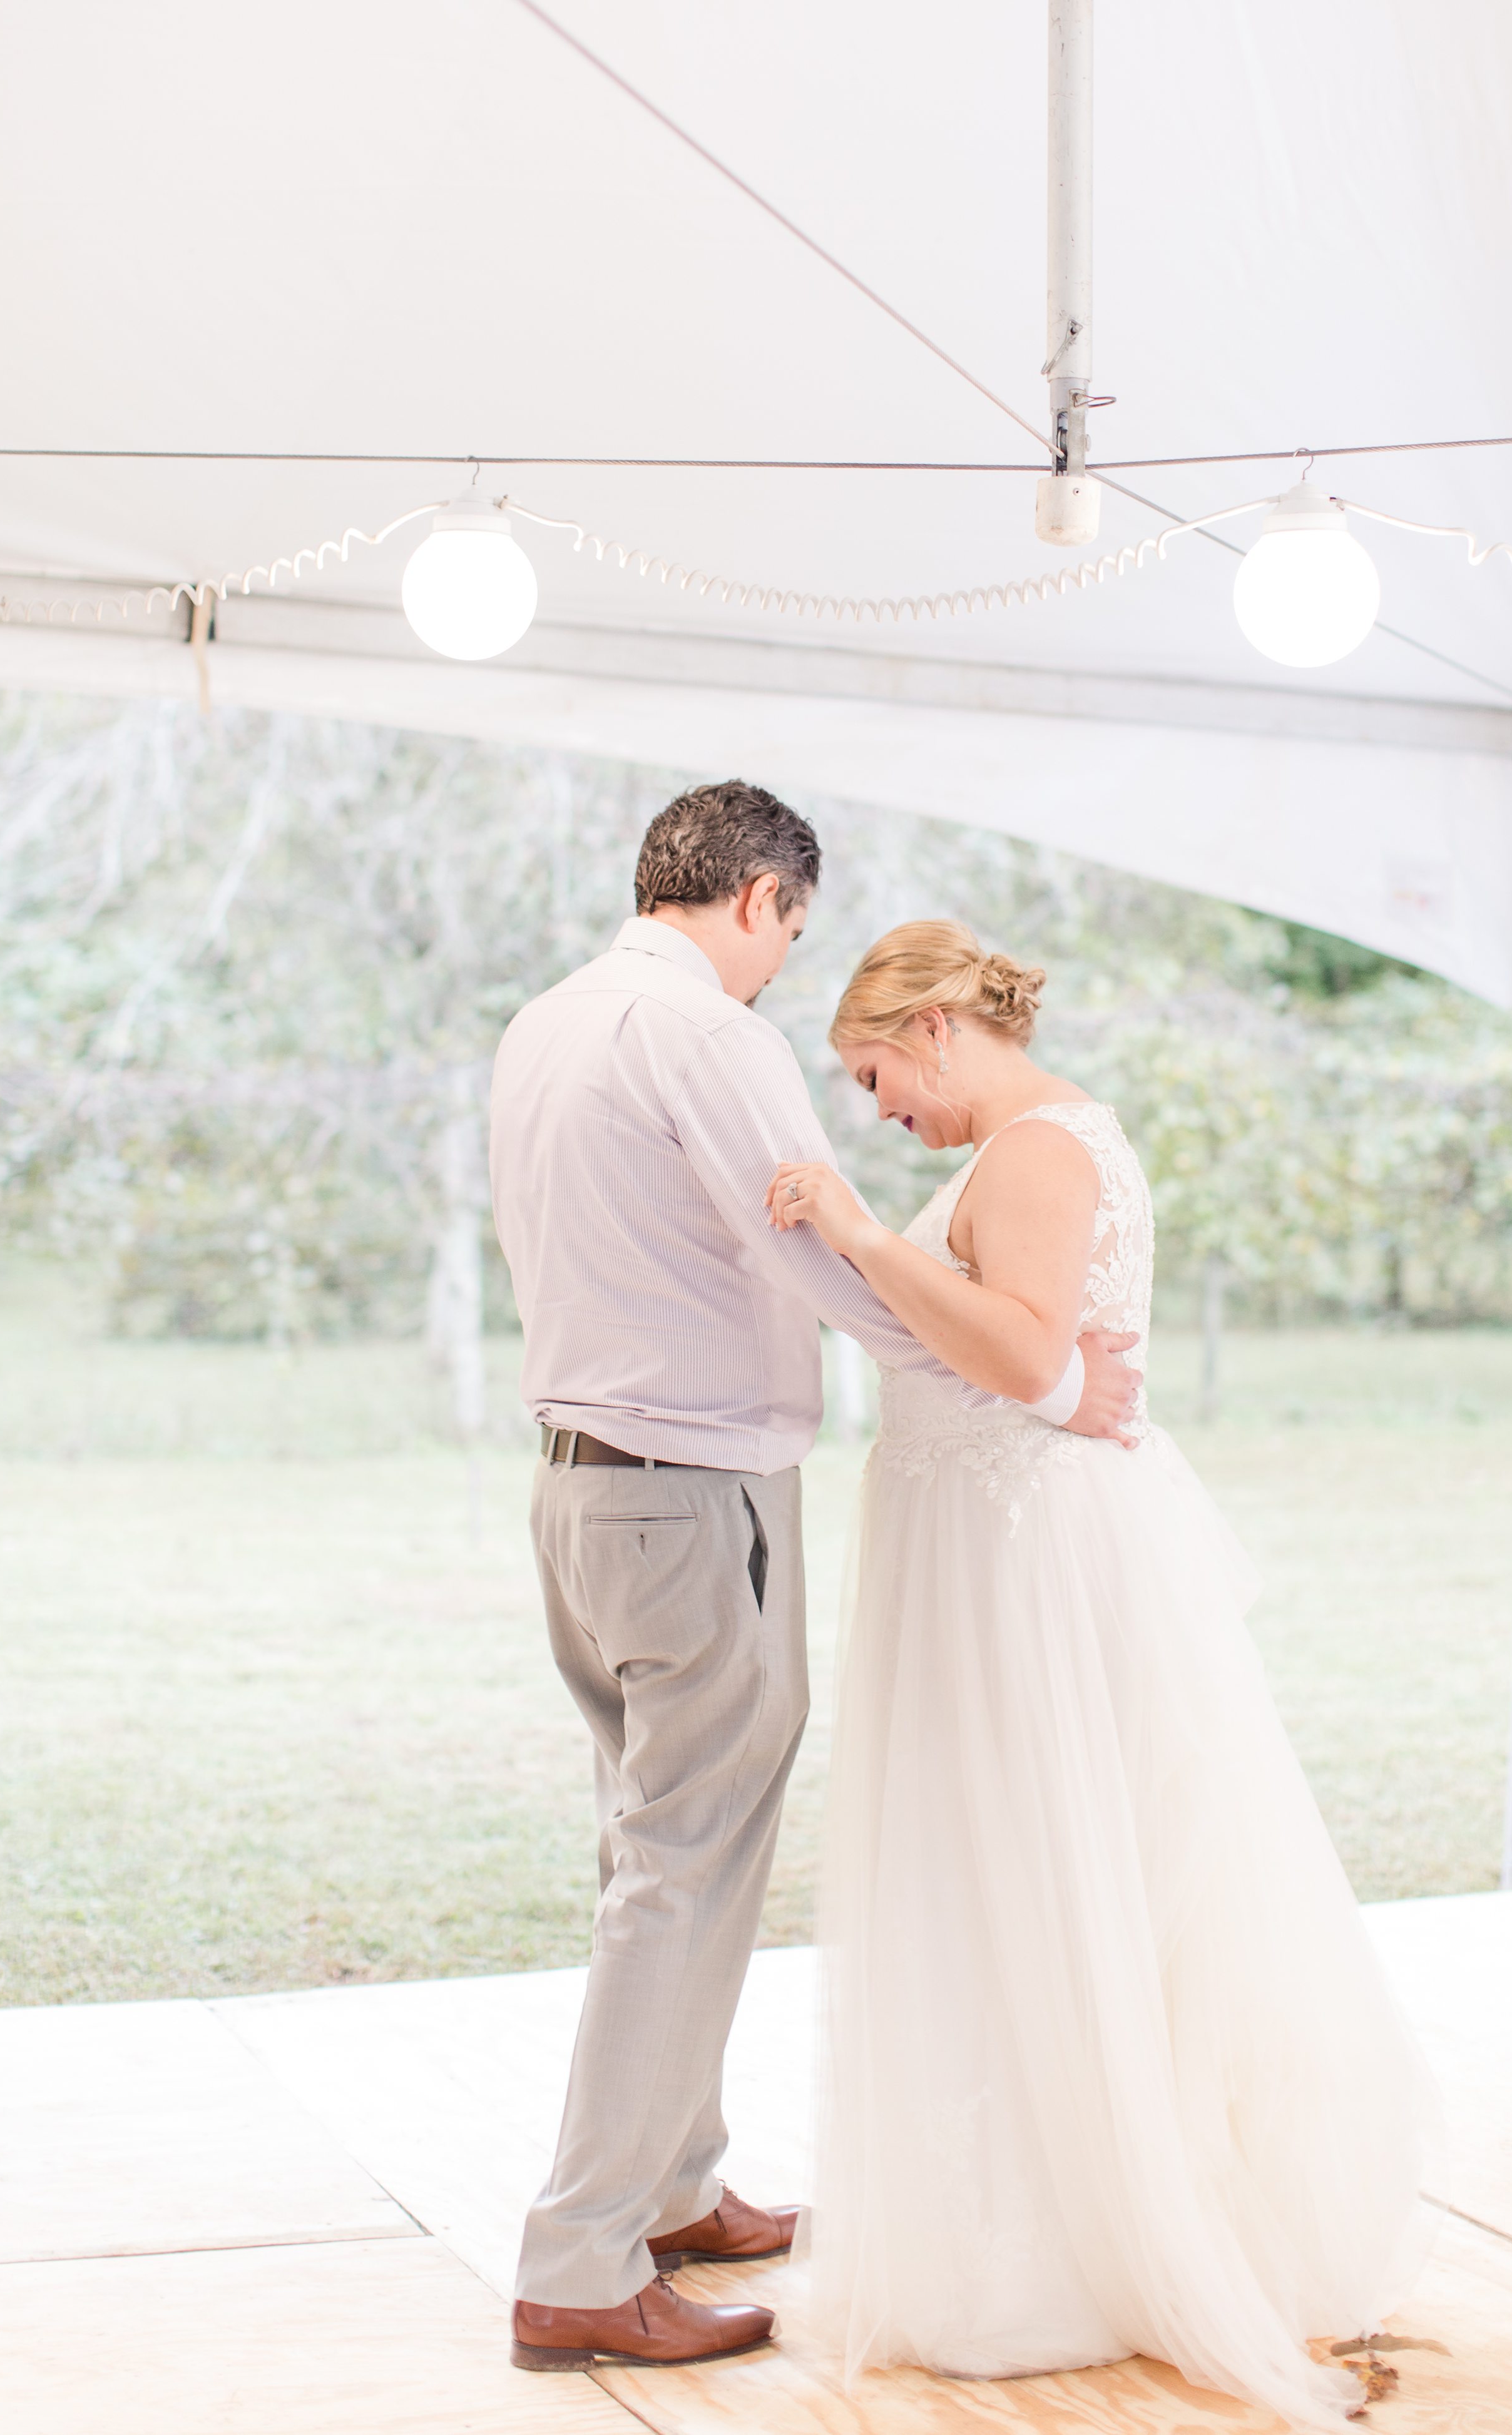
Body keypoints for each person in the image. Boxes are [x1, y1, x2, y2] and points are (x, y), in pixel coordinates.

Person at [486, 788, 1142, 2376]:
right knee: (687, 1861)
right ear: (768, 900)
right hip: (695, 1496)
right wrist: (1042, 1387)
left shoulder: (546, 1024)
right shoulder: (712, 1037)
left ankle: (673, 2186)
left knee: (653, 1847)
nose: (786, 975)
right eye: (790, 940)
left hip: (581, 1495)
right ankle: (583, 2259)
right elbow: (818, 1253)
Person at [769, 921, 1435, 2427]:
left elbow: (1020, 1352)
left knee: (1044, 1860)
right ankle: (1021, 2207)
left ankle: (1079, 2233)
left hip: (1021, 1559)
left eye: (879, 1073)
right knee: (990, 1872)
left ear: (935, 1030)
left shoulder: (1040, 1153)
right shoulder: (1019, 1149)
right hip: (977, 1533)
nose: (881, 1109)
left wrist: (868, 1238)